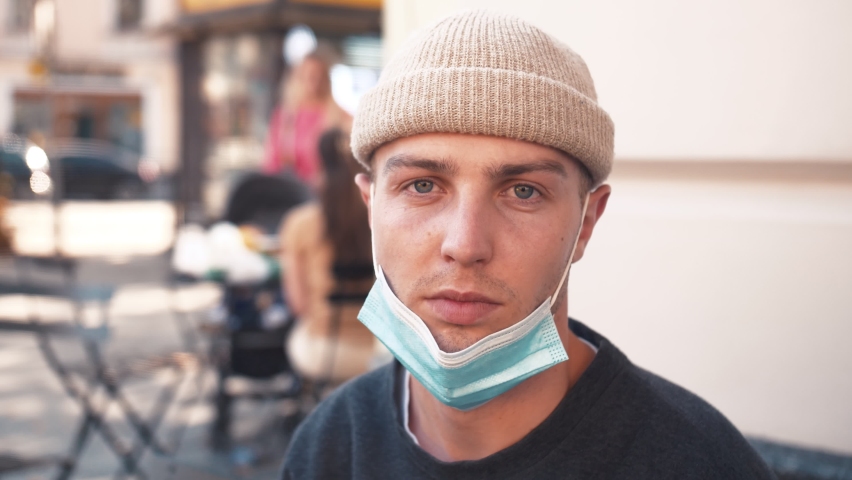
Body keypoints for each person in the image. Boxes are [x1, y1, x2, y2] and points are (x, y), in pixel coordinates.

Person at [281, 10, 776, 479]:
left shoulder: (699, 463)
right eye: (423, 186)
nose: (464, 244)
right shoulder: (327, 449)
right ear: (371, 208)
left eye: (523, 192)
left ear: (586, 223)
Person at [279, 128, 377, 383]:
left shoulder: (300, 223)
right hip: (380, 352)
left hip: (324, 353)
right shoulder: (381, 220)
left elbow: (298, 306)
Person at [263, 53, 352, 189]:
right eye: (308, 74)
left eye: (318, 75)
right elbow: (271, 163)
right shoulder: (284, 116)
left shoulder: (339, 115)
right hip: (291, 193)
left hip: (326, 194)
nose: (313, 80)